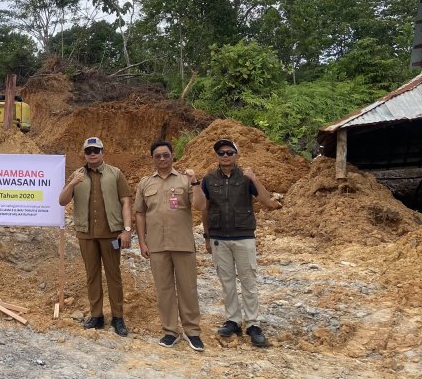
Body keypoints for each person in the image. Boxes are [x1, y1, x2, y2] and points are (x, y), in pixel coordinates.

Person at [193, 138, 282, 347]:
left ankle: (252, 324)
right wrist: (207, 236)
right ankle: (233, 320)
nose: (225, 156)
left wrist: (254, 179)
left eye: (229, 153)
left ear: (236, 155)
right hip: (218, 239)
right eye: (221, 153)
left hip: (243, 237)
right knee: (227, 282)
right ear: (217, 156)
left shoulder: (246, 178)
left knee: (248, 281)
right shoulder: (209, 179)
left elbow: (267, 201)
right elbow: (205, 209)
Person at [134, 140, 206, 351]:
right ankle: (170, 331)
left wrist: (195, 183)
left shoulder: (185, 180)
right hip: (156, 245)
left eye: (166, 155)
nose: (162, 159)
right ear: (153, 159)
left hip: (183, 243)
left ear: (172, 156)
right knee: (164, 290)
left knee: (188, 289)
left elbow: (201, 206)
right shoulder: (145, 183)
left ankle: (192, 331)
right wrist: (142, 242)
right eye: (158, 156)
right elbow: (140, 213)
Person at [58, 136, 132, 337]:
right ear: (84, 153)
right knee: (92, 276)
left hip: (111, 234)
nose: (92, 154)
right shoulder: (77, 175)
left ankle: (118, 317)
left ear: (103, 152)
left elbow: (126, 202)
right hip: (87, 234)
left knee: (113, 275)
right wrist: (72, 183)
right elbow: (62, 201)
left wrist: (126, 229)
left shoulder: (115, 174)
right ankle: (97, 315)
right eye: (88, 151)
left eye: (96, 150)